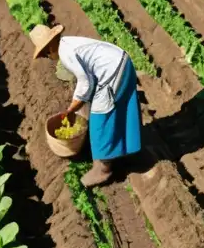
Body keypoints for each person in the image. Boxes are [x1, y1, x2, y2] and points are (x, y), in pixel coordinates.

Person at [31, 23, 141, 187]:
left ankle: (103, 168)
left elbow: (85, 82)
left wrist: (72, 108)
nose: (47, 56)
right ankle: (122, 148)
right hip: (120, 62)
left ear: (51, 45)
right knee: (115, 108)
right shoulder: (67, 43)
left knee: (99, 118)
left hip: (113, 70)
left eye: (46, 53)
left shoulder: (66, 53)